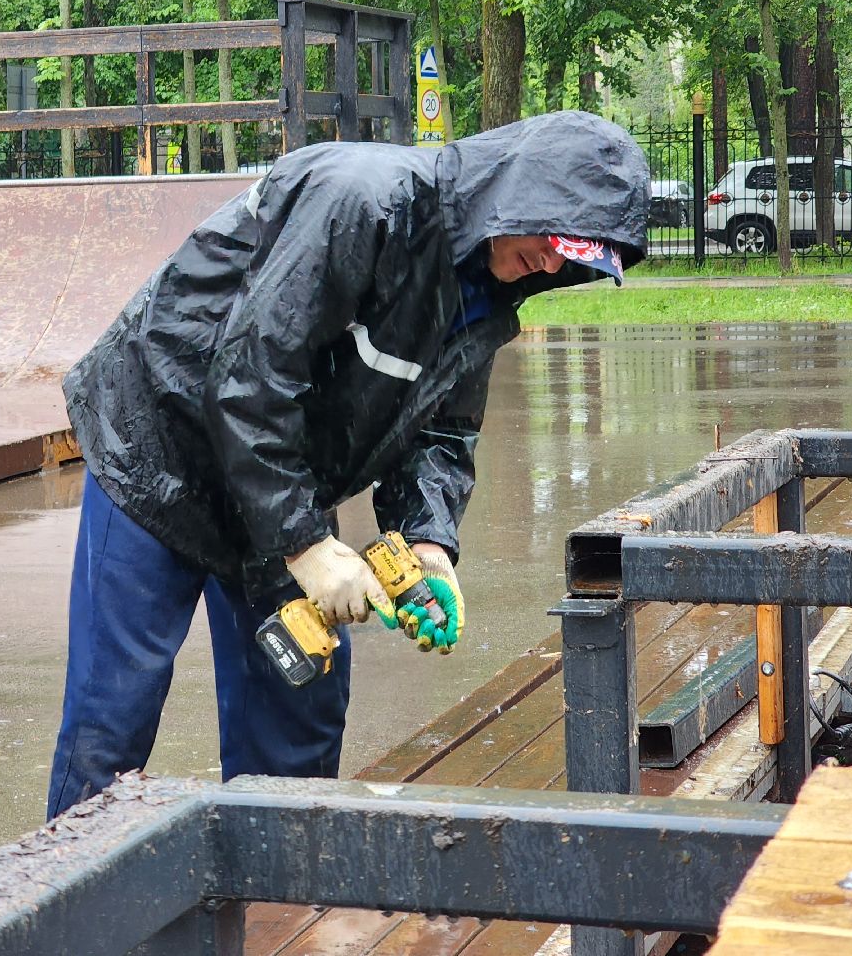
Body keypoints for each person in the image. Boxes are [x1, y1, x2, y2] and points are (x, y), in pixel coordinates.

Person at [47, 109, 649, 818]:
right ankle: (66, 912)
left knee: (297, 723)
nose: (551, 264)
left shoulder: (486, 298)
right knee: (112, 714)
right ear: (517, 192)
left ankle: (279, 910)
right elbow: (251, 377)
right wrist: (307, 545)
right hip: (157, 447)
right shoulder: (364, 199)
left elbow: (443, 434)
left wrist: (425, 542)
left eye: (573, 258)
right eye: (551, 240)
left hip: (278, 476)